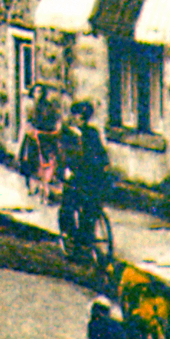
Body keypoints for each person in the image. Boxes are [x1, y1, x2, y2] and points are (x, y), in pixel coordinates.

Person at [60, 100, 109, 246]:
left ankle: (85, 236)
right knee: (68, 205)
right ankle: (70, 233)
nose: (80, 119)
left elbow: (100, 152)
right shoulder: (68, 133)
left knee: (90, 207)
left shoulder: (92, 133)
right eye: (78, 116)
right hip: (75, 173)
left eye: (83, 117)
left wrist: (105, 165)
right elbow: (63, 153)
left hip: (90, 175)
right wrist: (66, 169)